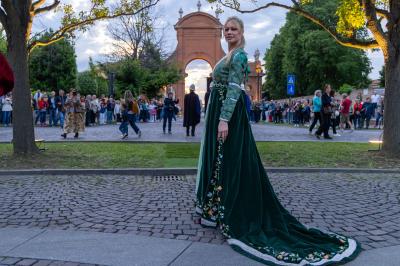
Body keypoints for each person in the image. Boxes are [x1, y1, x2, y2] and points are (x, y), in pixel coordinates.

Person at [195, 16, 360, 266]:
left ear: (242, 32)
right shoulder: (229, 55)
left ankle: (223, 209)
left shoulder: (239, 56)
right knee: (221, 158)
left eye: (233, 29)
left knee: (226, 159)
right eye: (226, 29)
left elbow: (233, 89)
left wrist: (224, 119)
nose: (229, 32)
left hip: (227, 114)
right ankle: (215, 208)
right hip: (221, 111)